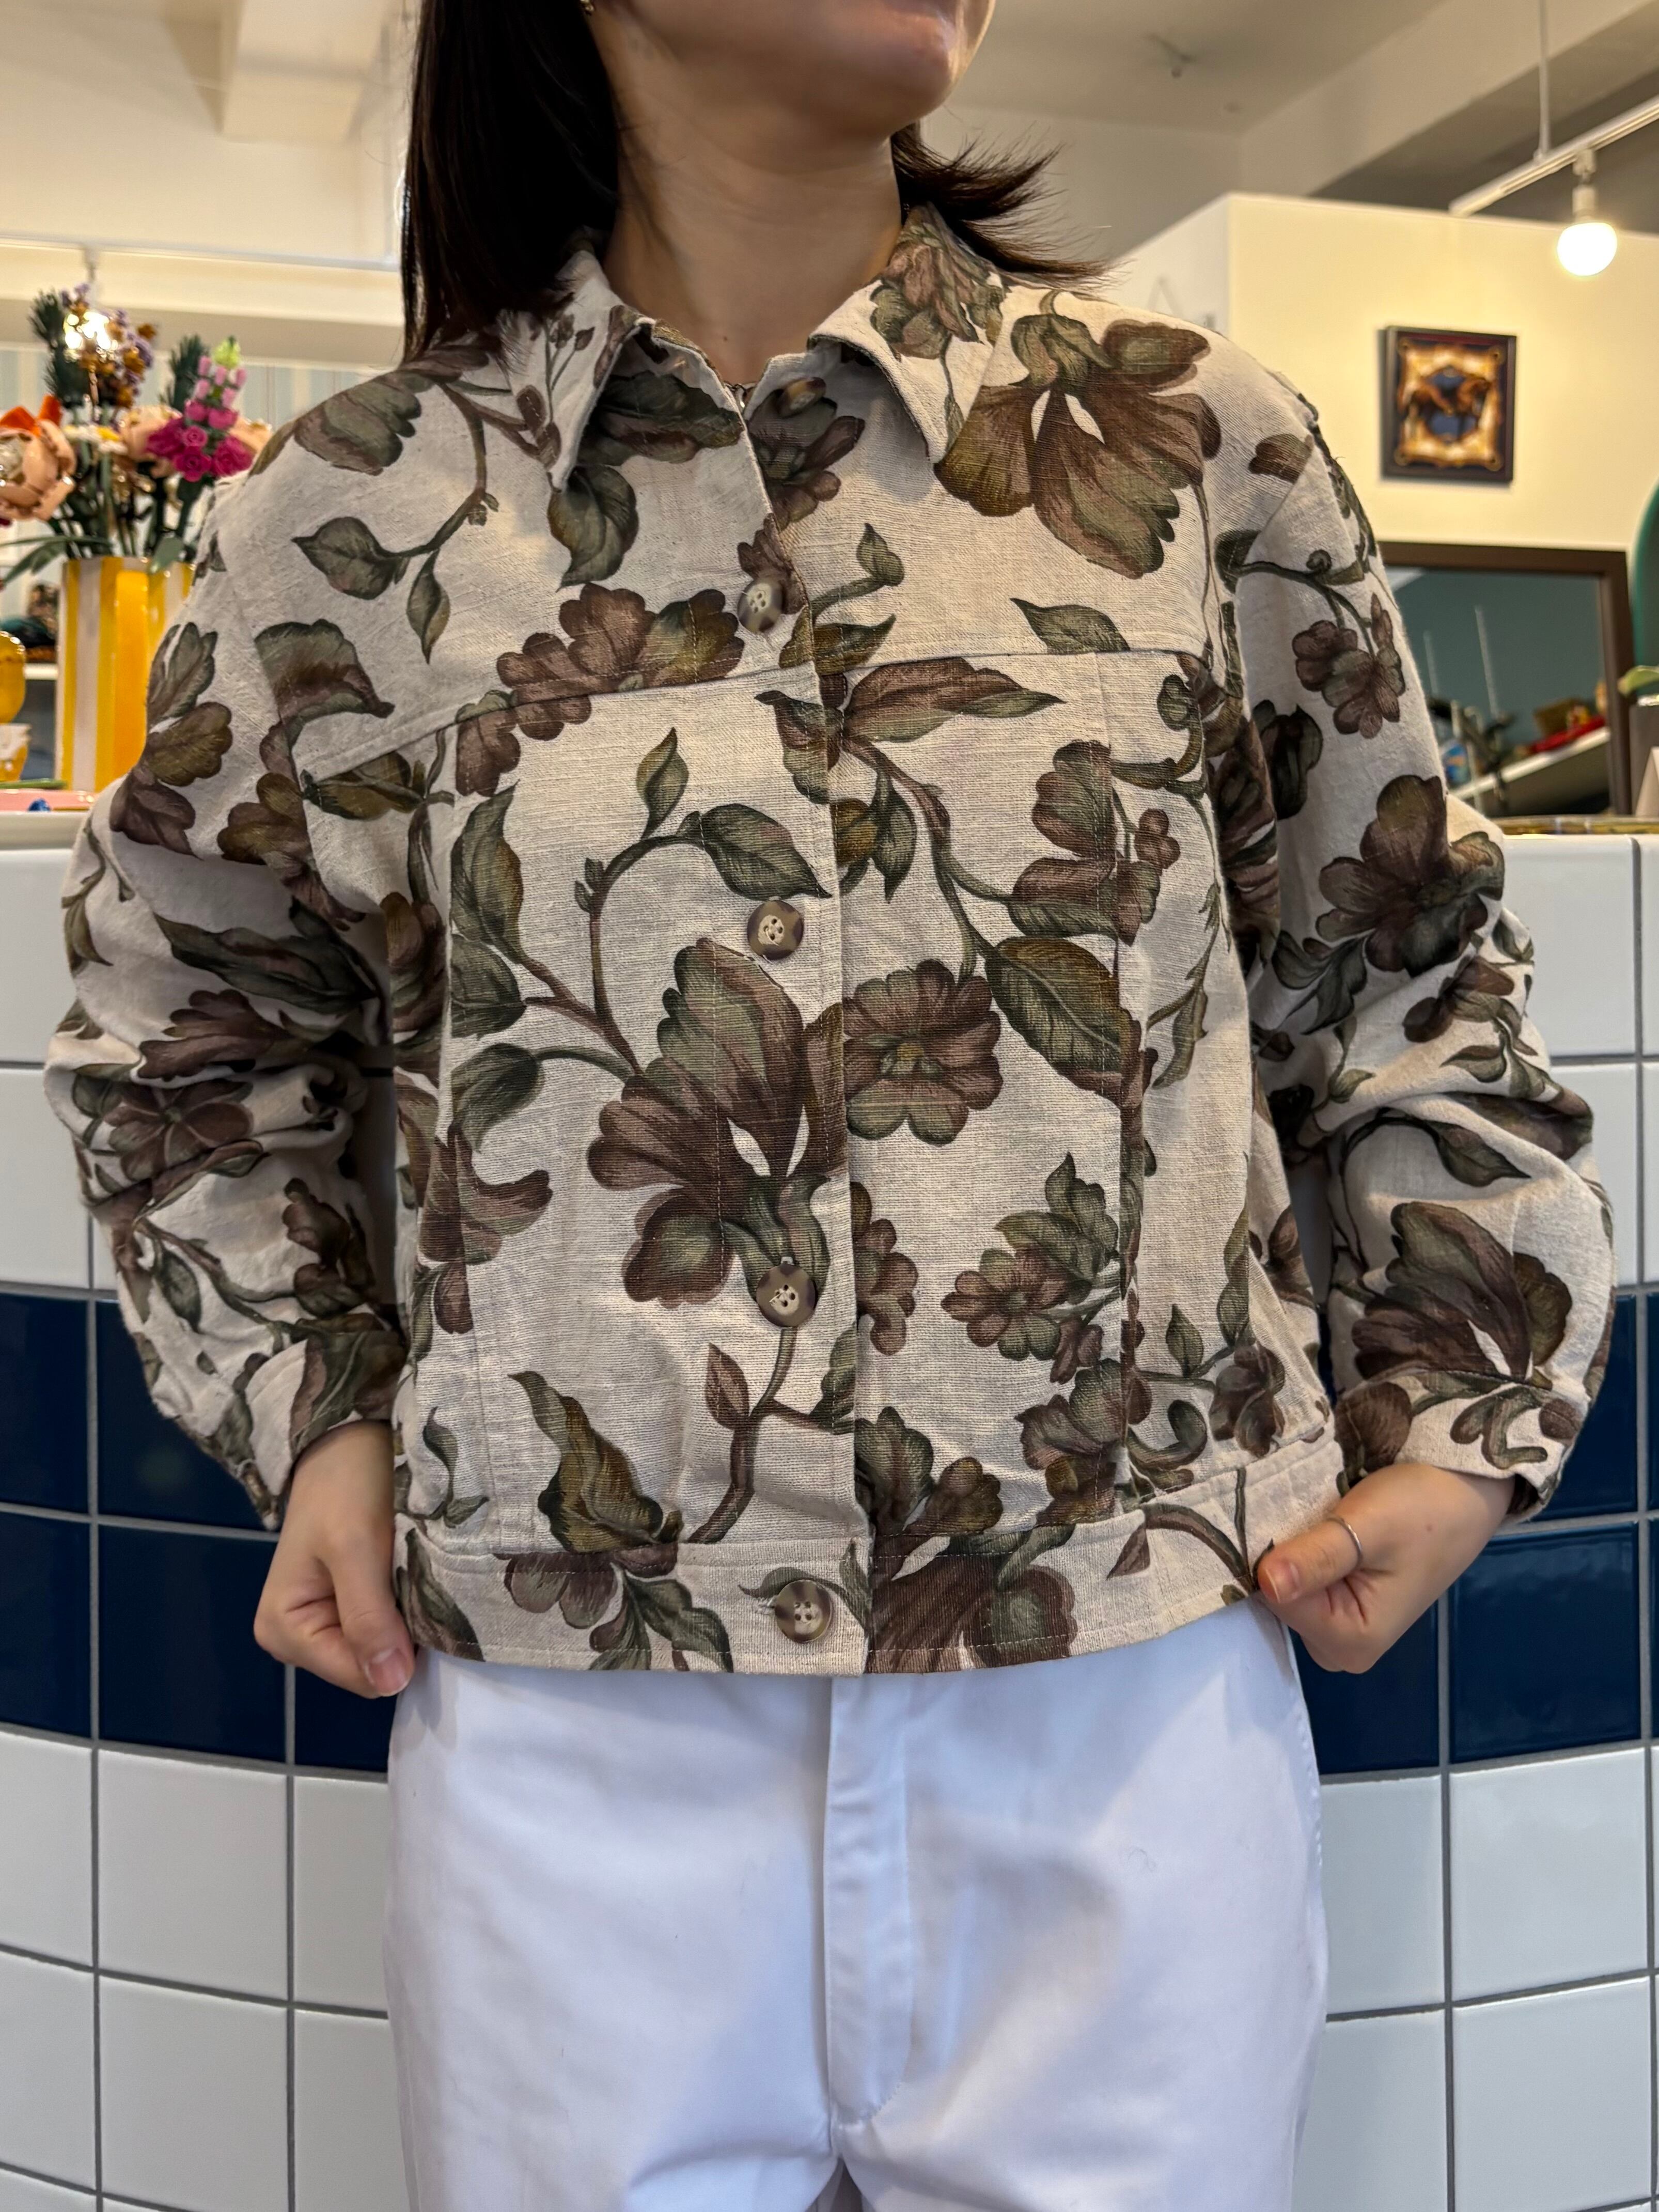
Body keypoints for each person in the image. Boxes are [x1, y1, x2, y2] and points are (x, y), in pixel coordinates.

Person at [44, 1, 1613, 2205]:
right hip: (576, 1721)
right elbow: (188, 1018)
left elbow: (1402, 968)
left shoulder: (1187, 449)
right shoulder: (359, 516)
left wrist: (1463, 1411)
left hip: (1122, 1696)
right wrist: (312, 1405)